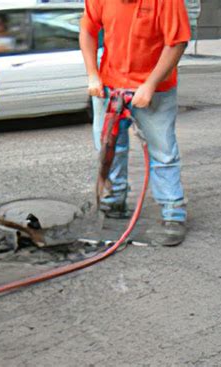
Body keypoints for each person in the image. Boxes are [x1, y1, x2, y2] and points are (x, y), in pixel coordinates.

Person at [80, 0, 191, 246]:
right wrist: (92, 75)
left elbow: (177, 43)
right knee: (109, 148)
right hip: (109, 86)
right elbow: (87, 30)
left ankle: (173, 213)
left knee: (163, 152)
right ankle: (114, 201)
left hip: (155, 89)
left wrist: (150, 85)